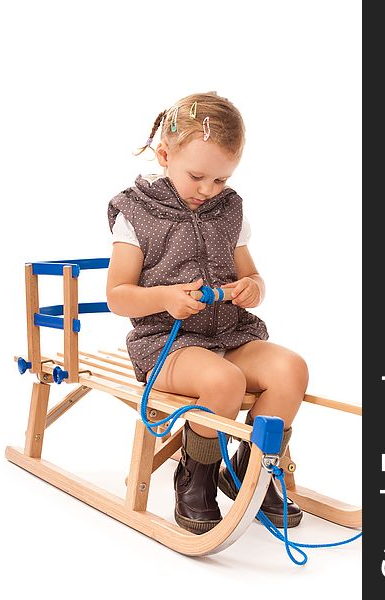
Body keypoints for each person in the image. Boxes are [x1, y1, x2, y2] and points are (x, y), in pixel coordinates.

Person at [106, 92, 309, 535]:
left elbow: (253, 274)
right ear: (164, 155)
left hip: (228, 336)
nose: (208, 190)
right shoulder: (136, 212)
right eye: (197, 176)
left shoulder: (228, 208)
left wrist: (251, 288)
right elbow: (118, 296)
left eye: (221, 179)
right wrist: (164, 297)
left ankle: (251, 469)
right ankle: (195, 478)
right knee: (223, 381)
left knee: (291, 369)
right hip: (167, 344)